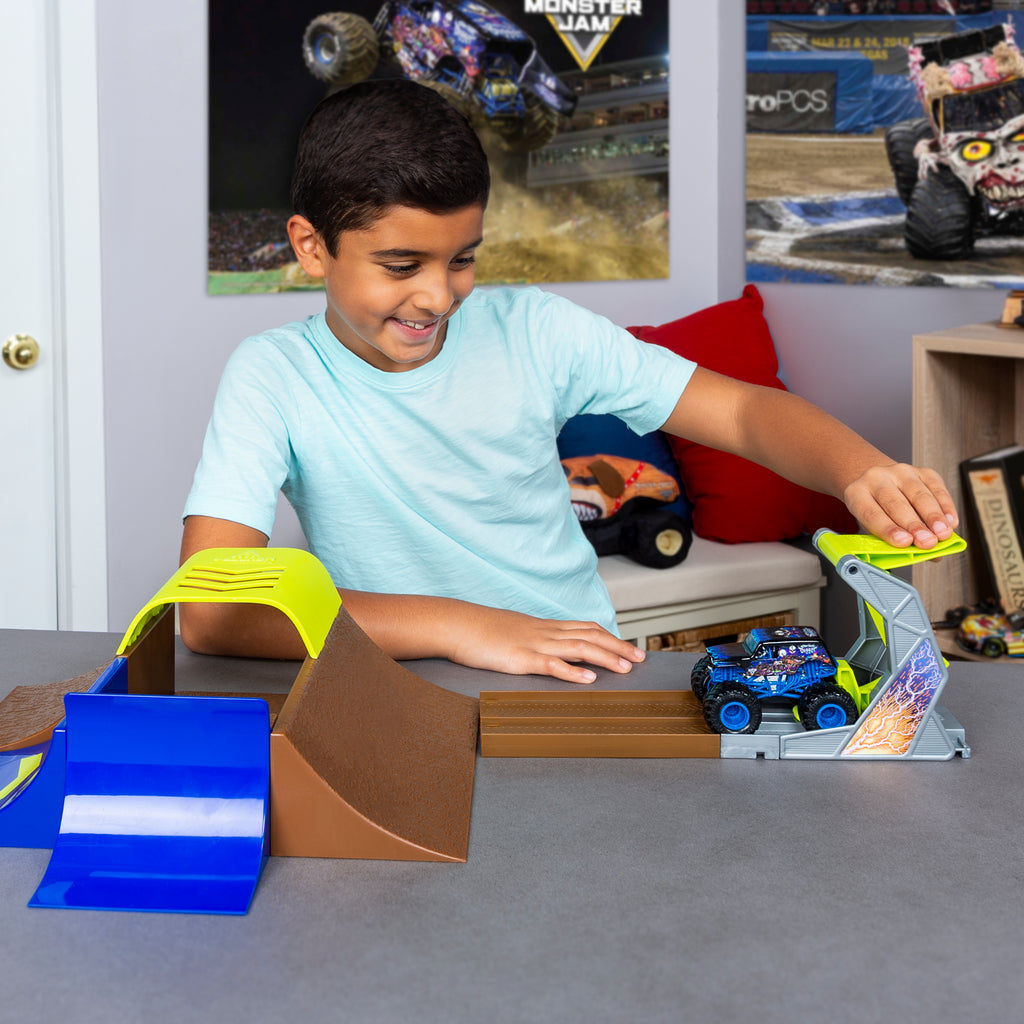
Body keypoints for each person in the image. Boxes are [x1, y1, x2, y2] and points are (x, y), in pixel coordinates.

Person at [181, 79, 958, 684]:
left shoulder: (537, 330)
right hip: (394, 690)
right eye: (401, 265)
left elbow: (744, 413)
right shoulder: (271, 374)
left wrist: (860, 469)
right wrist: (463, 625)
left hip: (574, 674)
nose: (438, 296)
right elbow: (212, 614)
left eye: (462, 259)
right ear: (311, 247)